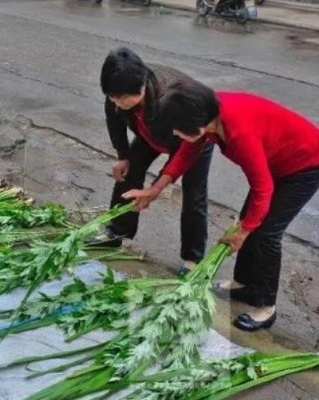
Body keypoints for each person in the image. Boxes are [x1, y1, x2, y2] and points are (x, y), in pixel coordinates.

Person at [123, 81, 319, 332]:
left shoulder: (239, 134)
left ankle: (266, 307)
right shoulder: (207, 116)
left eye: (178, 130)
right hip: (276, 160)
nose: (175, 135)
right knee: (251, 220)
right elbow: (186, 153)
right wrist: (155, 189)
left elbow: (263, 188)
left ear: (196, 124)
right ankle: (244, 285)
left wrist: (244, 232)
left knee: (266, 233)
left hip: (305, 164)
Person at [91, 47, 213, 276]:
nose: (117, 103)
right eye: (112, 97)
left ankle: (193, 259)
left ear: (142, 87)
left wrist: (155, 189)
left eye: (123, 99)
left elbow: (181, 153)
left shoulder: (172, 100)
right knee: (129, 172)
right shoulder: (118, 91)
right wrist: (123, 156)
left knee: (194, 193)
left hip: (193, 139)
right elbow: (114, 120)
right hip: (151, 133)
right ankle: (116, 232)